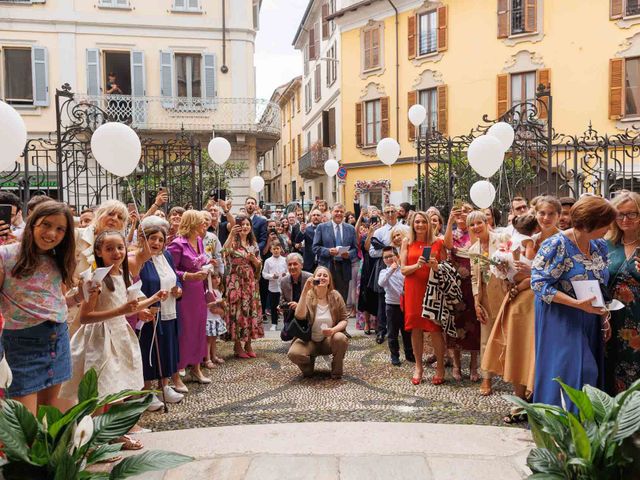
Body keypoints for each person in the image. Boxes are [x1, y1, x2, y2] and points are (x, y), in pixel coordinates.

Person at [62, 230, 166, 449]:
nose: (116, 252)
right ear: (99, 252)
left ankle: (115, 433)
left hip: (119, 335)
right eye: (109, 249)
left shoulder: (123, 275)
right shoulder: (95, 279)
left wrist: (152, 302)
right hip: (100, 338)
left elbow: (131, 305)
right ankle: (94, 440)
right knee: (101, 390)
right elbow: (85, 317)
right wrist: (122, 310)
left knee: (118, 387)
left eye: (120, 247)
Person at [531, 195, 616, 412]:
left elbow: (601, 282)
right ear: (590, 224)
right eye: (605, 225)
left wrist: (604, 315)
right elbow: (539, 284)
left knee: (589, 374)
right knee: (572, 371)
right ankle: (558, 429)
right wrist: (576, 304)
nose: (608, 229)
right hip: (560, 318)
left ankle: (583, 432)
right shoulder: (555, 245)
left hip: (590, 315)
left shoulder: (599, 246)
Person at [483, 196, 561, 423]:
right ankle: (520, 402)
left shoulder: (564, 239)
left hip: (548, 302)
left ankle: (542, 400)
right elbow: (515, 269)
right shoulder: (527, 238)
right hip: (521, 302)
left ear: (558, 216)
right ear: (534, 214)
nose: (546, 218)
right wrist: (507, 276)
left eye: (551, 214)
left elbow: (555, 275)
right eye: (542, 214)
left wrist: (527, 281)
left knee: (542, 350)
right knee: (519, 347)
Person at [0, 202, 76, 414]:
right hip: (21, 346)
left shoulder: (59, 259)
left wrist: (79, 297)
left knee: (50, 420)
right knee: (25, 427)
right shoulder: (5, 255)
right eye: (46, 224)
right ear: (32, 224)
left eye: (60, 229)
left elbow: (56, 302)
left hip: (58, 339)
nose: (52, 233)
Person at [128, 216, 184, 410]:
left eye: (160, 239)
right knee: (149, 350)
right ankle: (147, 391)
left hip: (169, 309)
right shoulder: (140, 259)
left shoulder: (166, 256)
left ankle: (165, 385)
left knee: (168, 348)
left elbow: (174, 277)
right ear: (144, 239)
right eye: (153, 238)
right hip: (150, 311)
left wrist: (178, 288)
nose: (157, 243)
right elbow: (135, 285)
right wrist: (145, 303)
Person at [400, 211, 447, 385]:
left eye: (423, 222)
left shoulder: (438, 242)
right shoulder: (407, 242)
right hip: (413, 289)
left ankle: (440, 366)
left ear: (429, 224)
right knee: (416, 328)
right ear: (412, 224)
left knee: (434, 328)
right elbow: (403, 269)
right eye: (417, 222)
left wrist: (435, 265)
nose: (419, 225)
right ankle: (418, 366)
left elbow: (446, 267)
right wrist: (417, 265)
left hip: (432, 289)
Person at [167, 210, 212, 386]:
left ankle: (196, 368)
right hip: (185, 294)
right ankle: (178, 370)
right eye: (201, 222)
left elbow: (199, 261)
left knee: (199, 329)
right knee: (185, 331)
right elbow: (170, 269)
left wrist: (207, 266)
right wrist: (188, 276)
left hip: (198, 291)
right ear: (192, 224)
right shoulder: (177, 245)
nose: (205, 225)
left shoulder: (200, 241)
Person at [467, 211, 507, 394]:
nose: (476, 227)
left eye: (478, 223)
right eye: (472, 225)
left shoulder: (501, 239)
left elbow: (514, 262)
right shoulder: (473, 249)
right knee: (485, 338)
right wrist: (476, 302)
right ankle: (486, 379)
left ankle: (515, 375)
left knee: (510, 335)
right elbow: (474, 279)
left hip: (505, 292)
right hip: (484, 296)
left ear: (486, 222)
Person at [605, 191, 640, 394]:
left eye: (632, 214)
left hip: (637, 318)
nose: (625, 219)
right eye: (620, 214)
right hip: (611, 319)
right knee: (611, 362)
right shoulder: (605, 245)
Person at [287, 266, 349, 379]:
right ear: (314, 278)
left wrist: (333, 330)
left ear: (329, 280)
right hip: (309, 340)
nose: (322, 277)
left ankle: (336, 371)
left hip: (328, 341)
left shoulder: (336, 296)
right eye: (319, 275)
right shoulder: (309, 295)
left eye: (325, 275)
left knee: (340, 338)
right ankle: (308, 363)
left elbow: (344, 319)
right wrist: (305, 290)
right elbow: (299, 316)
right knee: (294, 354)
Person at [445, 203, 481, 381]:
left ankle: (474, 366)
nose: (462, 214)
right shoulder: (453, 232)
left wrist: (470, 224)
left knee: (474, 325)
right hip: (455, 284)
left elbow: (477, 250)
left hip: (473, 283)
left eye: (466, 211)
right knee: (455, 324)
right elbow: (447, 245)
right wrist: (451, 220)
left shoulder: (474, 231)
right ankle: (457, 365)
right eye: (459, 211)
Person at [223, 216, 264, 358]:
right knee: (238, 311)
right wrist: (231, 234)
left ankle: (248, 343)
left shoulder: (253, 244)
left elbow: (259, 265)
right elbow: (224, 252)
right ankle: (237, 345)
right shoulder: (233, 241)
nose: (245, 227)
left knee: (250, 310)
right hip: (235, 281)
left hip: (250, 282)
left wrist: (254, 260)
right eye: (242, 224)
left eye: (248, 224)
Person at [369, 205, 410, 344]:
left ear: (397, 213)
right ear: (384, 214)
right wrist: (388, 253)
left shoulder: (406, 229)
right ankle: (381, 331)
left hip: (404, 266)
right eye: (387, 212)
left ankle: (406, 333)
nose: (391, 214)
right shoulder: (379, 232)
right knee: (383, 300)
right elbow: (372, 252)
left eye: (393, 211)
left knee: (405, 298)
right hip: (386, 266)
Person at [312, 203, 358, 302]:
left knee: (341, 299)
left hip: (344, 268)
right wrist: (328, 251)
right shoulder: (322, 227)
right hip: (327, 267)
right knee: (325, 297)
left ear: (344, 214)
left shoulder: (350, 229)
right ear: (331, 212)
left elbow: (355, 249)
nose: (339, 214)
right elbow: (315, 248)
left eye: (341, 212)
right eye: (336, 211)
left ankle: (340, 317)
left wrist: (349, 254)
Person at [378, 246, 414, 366]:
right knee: (392, 332)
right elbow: (381, 283)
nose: (388, 259)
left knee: (407, 331)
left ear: (397, 256)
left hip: (405, 305)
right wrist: (390, 270)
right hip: (391, 305)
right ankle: (394, 355)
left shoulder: (403, 270)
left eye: (390, 256)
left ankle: (409, 353)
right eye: (385, 257)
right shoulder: (384, 272)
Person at [279, 253, 313, 335]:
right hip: (291, 314)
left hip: (308, 314)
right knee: (284, 335)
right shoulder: (284, 281)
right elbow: (281, 300)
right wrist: (281, 306)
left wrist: (299, 306)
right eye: (289, 264)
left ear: (301, 265)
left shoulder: (310, 278)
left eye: (295, 264)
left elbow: (315, 300)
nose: (292, 267)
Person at [262, 242, 288, 331]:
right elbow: (264, 274)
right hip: (273, 287)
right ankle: (274, 323)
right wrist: (271, 276)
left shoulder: (285, 260)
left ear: (280, 249)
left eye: (277, 249)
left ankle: (286, 323)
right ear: (271, 250)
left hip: (284, 287)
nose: (276, 250)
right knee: (273, 306)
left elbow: (289, 271)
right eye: (274, 249)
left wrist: (286, 274)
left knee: (284, 306)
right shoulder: (268, 261)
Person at [205, 271, 227, 368]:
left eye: (218, 277)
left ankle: (214, 356)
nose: (217, 280)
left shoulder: (219, 290)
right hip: (209, 318)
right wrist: (219, 301)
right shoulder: (207, 291)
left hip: (215, 318)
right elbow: (208, 305)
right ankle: (207, 359)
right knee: (208, 340)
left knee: (214, 339)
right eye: (214, 278)